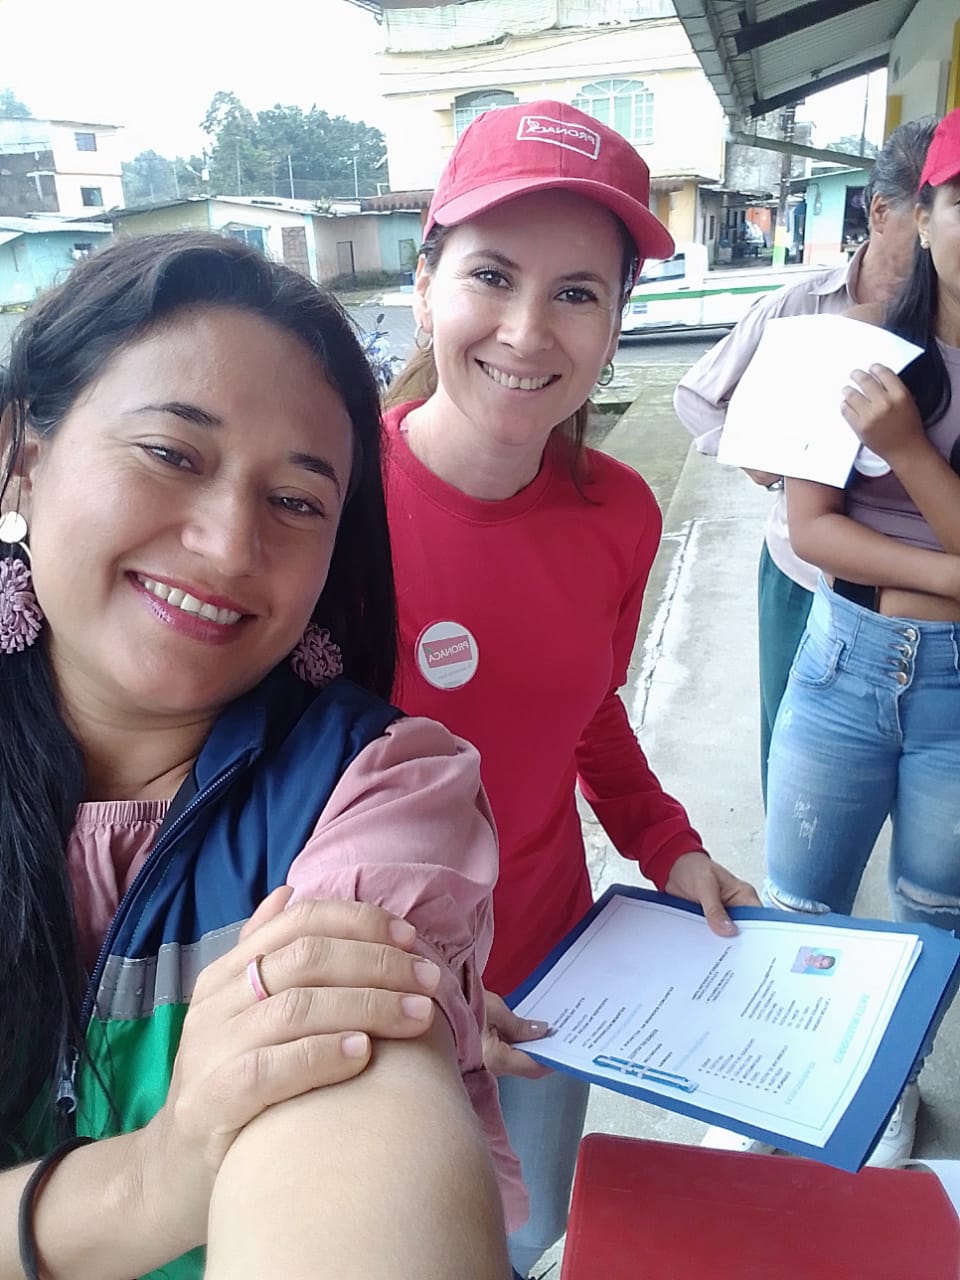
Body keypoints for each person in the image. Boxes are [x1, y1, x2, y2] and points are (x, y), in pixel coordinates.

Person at [0, 231, 521, 1280]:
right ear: (21, 454)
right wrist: (150, 1179)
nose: (231, 545)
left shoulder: (374, 794)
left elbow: (358, 1116)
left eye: (296, 502)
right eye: (172, 453)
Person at [381, 99, 760, 1280]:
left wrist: (670, 844)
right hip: (373, 993)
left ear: (614, 327)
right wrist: (420, 983)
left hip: (553, 973)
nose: (527, 329)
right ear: (426, 284)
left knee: (529, 1233)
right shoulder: (329, 506)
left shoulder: (621, 513)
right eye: (492, 274)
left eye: (578, 293)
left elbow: (590, 707)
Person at [764, 106, 960, 1168]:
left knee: (934, 921)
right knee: (800, 907)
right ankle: (782, 1076)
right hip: (845, 660)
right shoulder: (848, 348)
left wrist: (904, 448)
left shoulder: (885, 397)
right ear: (920, 215)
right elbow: (811, 528)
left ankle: (890, 1089)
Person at [673, 118, 937, 805]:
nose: (936, 239)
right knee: (794, 744)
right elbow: (698, 397)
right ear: (881, 213)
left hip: (919, 594)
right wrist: (766, 462)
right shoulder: (802, 306)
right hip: (803, 571)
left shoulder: (947, 323)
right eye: (925, 215)